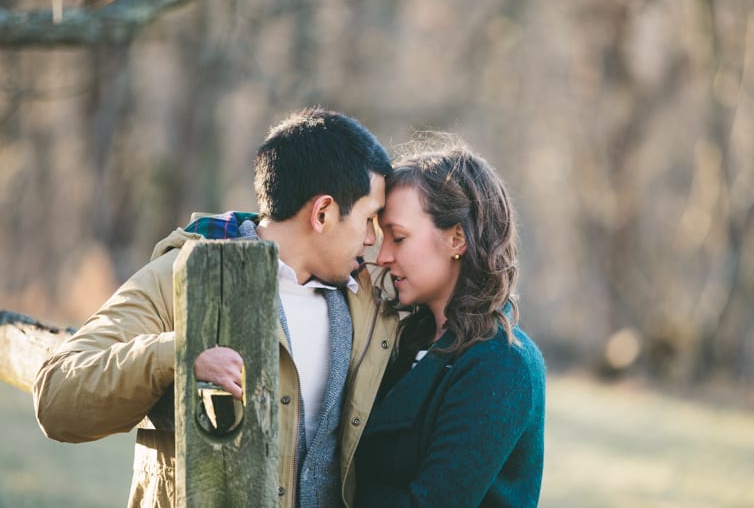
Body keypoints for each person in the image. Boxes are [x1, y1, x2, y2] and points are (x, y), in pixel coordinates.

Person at [33, 107, 399, 508]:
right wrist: (179, 353)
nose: (371, 239)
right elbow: (57, 398)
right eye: (368, 219)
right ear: (323, 213)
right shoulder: (181, 275)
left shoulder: (371, 300)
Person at [354, 134, 546, 507]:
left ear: (457, 239)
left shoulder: (501, 364)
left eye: (398, 237)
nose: (383, 256)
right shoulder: (405, 341)